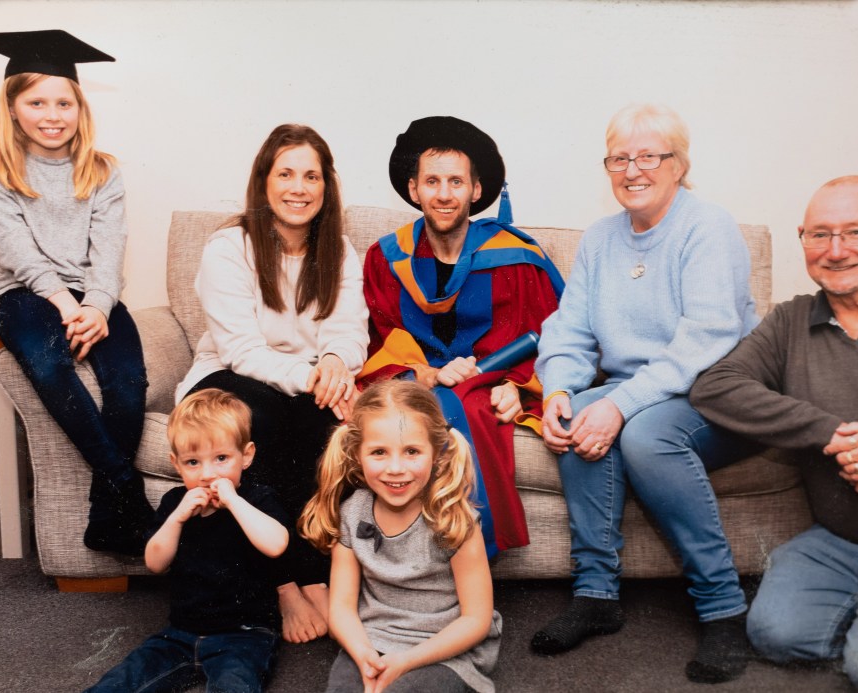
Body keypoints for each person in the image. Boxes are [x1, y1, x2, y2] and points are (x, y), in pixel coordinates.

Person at [531, 104, 759, 683]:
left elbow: (707, 338)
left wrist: (620, 403)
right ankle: (596, 595)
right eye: (619, 158)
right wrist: (558, 387)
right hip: (646, 390)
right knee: (581, 414)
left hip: (717, 388)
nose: (632, 170)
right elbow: (571, 327)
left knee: (647, 437)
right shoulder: (601, 239)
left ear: (678, 164)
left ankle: (723, 608)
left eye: (648, 156)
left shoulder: (707, 227)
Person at [691, 175, 858, 692]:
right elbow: (715, 387)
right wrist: (831, 433)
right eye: (818, 235)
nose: (835, 251)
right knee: (773, 633)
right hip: (837, 542)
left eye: (854, 232)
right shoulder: (790, 321)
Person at [174, 124, 369, 643]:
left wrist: (333, 362)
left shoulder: (340, 250)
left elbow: (350, 331)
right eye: (285, 173)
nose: (298, 188)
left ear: (326, 186)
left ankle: (316, 572)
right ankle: (289, 582)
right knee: (262, 419)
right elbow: (242, 351)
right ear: (264, 181)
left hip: (305, 384)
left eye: (311, 175)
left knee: (333, 432)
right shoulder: (228, 246)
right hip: (227, 380)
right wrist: (316, 377)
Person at [0, 30, 152, 556]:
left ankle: (107, 520)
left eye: (64, 102)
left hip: (92, 293)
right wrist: (65, 303)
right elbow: (15, 247)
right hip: (25, 294)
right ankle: (128, 489)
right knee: (50, 366)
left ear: (79, 107)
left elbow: (110, 247)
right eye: (37, 101)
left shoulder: (103, 170)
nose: (52, 114)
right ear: (13, 107)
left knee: (128, 382)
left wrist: (96, 304)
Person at [359, 116, 564, 557]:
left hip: (490, 381)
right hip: (418, 380)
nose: (445, 194)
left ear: (476, 189)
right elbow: (380, 341)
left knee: (465, 404)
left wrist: (517, 385)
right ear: (414, 190)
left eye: (456, 181)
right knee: (413, 407)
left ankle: (471, 555)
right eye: (432, 181)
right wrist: (425, 374)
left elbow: (556, 335)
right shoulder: (386, 257)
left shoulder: (516, 258)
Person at [300, 379, 502, 693]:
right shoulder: (352, 514)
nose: (396, 468)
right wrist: (365, 656)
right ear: (357, 455)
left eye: (411, 452)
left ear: (436, 453)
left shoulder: (454, 518)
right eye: (379, 452)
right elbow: (340, 607)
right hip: (372, 640)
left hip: (443, 648)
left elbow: (476, 619)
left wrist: (405, 661)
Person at [86, 388, 291, 692]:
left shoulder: (255, 499)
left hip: (245, 634)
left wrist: (234, 502)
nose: (207, 474)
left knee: (235, 686)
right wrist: (176, 519)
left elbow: (276, 544)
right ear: (176, 464)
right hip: (180, 632)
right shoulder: (175, 503)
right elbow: (155, 563)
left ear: (246, 456)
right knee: (120, 681)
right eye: (193, 463)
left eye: (221, 458)